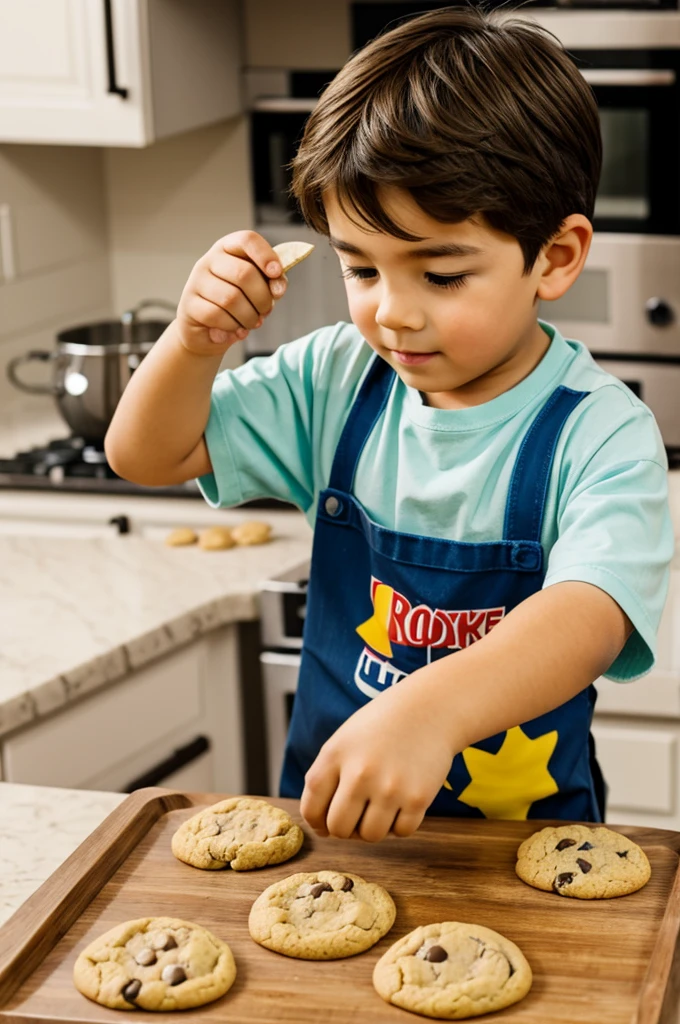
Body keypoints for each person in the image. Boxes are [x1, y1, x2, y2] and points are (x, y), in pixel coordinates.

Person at [105, 7, 673, 842]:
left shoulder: (599, 432)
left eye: (440, 275)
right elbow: (145, 453)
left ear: (554, 257)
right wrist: (194, 343)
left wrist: (430, 710)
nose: (394, 313)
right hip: (333, 830)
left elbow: (591, 615)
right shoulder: (333, 379)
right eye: (361, 267)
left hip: (518, 847)